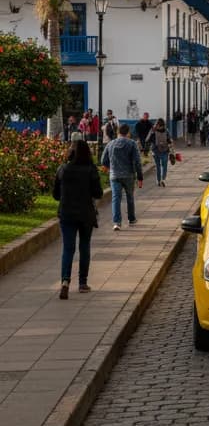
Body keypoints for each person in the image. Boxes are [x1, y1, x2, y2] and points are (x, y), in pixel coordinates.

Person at [52, 139, 103, 298]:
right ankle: (82, 283)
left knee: (68, 248)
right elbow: (98, 193)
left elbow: (55, 195)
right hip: (85, 214)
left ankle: (65, 281)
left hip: (67, 213)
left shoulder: (62, 169)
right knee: (84, 246)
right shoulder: (90, 169)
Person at [100, 123, 144, 231]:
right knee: (130, 197)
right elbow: (137, 162)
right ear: (128, 133)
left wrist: (110, 167)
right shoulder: (132, 144)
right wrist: (140, 178)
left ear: (117, 132)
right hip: (129, 175)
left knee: (116, 198)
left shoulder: (110, 144)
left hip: (114, 175)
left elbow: (103, 160)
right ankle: (131, 218)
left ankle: (117, 222)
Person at [146, 117, 174, 187]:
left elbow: (147, 140)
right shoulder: (163, 130)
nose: (161, 127)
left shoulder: (154, 130)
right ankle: (161, 180)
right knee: (162, 166)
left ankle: (160, 180)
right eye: (160, 126)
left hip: (159, 150)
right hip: (160, 150)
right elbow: (169, 140)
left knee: (160, 166)